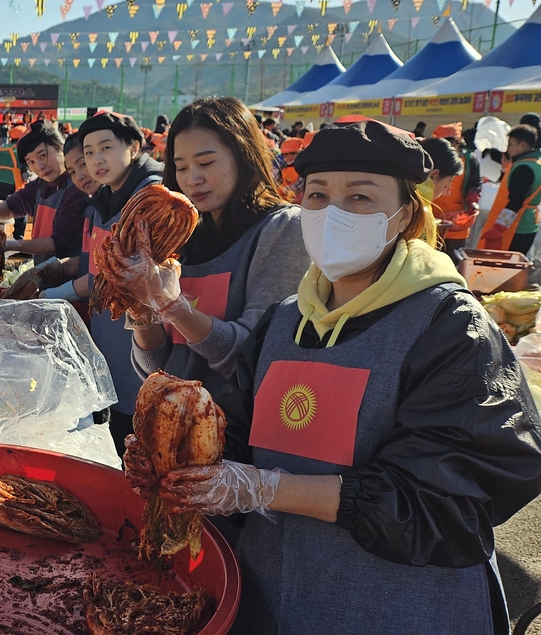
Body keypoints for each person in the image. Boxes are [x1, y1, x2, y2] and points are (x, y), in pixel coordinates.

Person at [154, 117, 541, 634]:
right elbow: (239, 434)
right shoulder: (285, 320)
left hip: (398, 610)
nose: (332, 213)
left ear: (405, 214)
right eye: (317, 195)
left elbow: (451, 501)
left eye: (360, 197)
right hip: (271, 596)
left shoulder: (450, 328)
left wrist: (265, 489)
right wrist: (182, 455)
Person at [125, 96, 310, 466]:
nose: (192, 179)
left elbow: (252, 359)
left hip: (234, 450)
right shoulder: (181, 237)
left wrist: (173, 308)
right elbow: (157, 368)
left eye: (206, 162)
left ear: (243, 155)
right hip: (170, 441)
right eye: (181, 167)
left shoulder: (283, 229)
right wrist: (142, 312)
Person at [39, 111, 165, 452]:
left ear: (134, 147)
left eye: (106, 148)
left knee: (141, 441)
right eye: (89, 152)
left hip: (142, 352)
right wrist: (52, 272)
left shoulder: (150, 198)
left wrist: (58, 290)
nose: (95, 161)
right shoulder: (105, 199)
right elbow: (95, 265)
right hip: (111, 344)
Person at [0, 120, 90, 294]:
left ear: (60, 147)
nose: (39, 166)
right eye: (31, 162)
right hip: (45, 281)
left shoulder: (77, 187)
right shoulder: (39, 185)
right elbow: (11, 206)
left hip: (71, 287)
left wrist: (12, 244)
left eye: (42, 156)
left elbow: (57, 243)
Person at [480, 124, 541, 252]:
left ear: (522, 144)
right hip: (528, 223)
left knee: (505, 262)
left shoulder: (524, 168)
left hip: (515, 227)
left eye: (510, 144)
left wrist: (498, 228)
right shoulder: (536, 162)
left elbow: (516, 201)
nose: (507, 149)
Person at [420, 137, 472, 261]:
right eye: (446, 185)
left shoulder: (403, 191)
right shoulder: (419, 207)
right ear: (434, 175)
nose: (446, 189)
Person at [0, 124, 29, 240]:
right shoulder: (22, 152)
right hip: (11, 187)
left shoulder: (1, 150)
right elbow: (25, 176)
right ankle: (18, 237)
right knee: (22, 207)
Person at [276, 137, 303, 202]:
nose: (285, 158)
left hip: (298, 201)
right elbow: (276, 180)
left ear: (296, 153)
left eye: (287, 155)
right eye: (284, 155)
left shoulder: (303, 167)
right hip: (284, 199)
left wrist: (288, 189)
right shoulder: (282, 165)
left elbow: (298, 186)